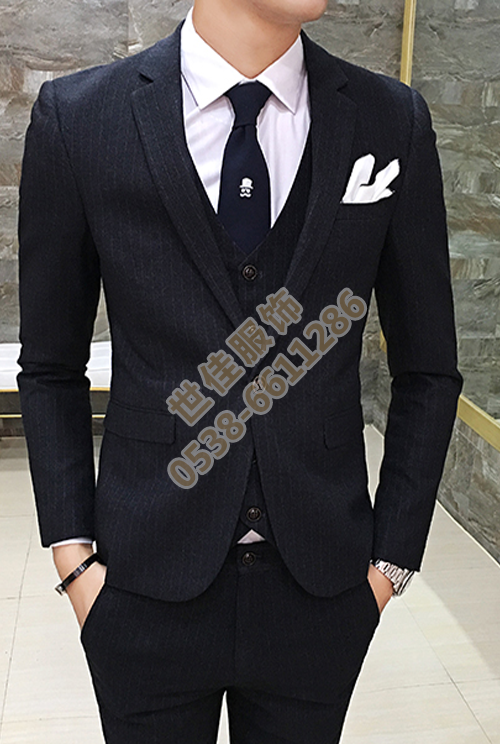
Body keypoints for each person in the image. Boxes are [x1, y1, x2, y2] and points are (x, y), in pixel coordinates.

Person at [16, 0, 463, 741]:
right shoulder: (81, 117)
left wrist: (390, 564)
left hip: (321, 587)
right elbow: (50, 366)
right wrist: (74, 563)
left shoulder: (391, 119)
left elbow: (429, 368)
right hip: (141, 582)